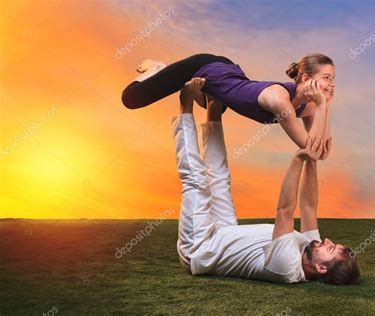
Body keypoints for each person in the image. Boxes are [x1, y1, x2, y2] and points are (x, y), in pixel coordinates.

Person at [172, 78, 359, 285]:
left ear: (321, 268)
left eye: (331, 248)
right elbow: (308, 206)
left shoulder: (287, 267)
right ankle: (214, 106)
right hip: (225, 232)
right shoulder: (310, 247)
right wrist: (312, 160)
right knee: (220, 177)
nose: (328, 241)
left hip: (200, 249)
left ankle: (185, 103)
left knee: (196, 181)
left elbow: (285, 209)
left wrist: (299, 158)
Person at [122, 53, 334, 155]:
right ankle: (157, 68)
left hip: (227, 73)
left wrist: (323, 108)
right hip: (205, 66)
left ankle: (197, 90)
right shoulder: (279, 99)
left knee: (216, 106)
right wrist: (323, 107)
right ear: (306, 79)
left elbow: (321, 152)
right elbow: (308, 146)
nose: (331, 84)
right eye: (326, 77)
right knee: (131, 98)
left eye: (332, 78)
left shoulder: (309, 107)